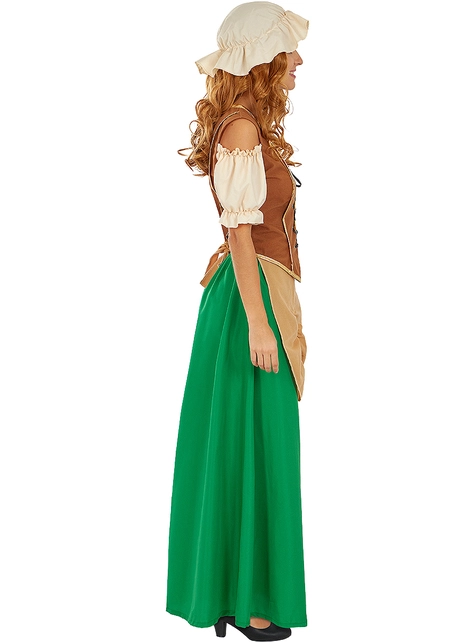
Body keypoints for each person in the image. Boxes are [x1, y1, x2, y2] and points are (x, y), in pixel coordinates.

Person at [166, 3, 309, 640]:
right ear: (262, 61)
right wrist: (258, 322)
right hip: (247, 304)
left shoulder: (249, 126)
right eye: (288, 50)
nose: (298, 60)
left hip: (253, 296)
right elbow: (241, 234)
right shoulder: (243, 129)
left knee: (251, 443)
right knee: (258, 443)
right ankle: (249, 601)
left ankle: (238, 593)